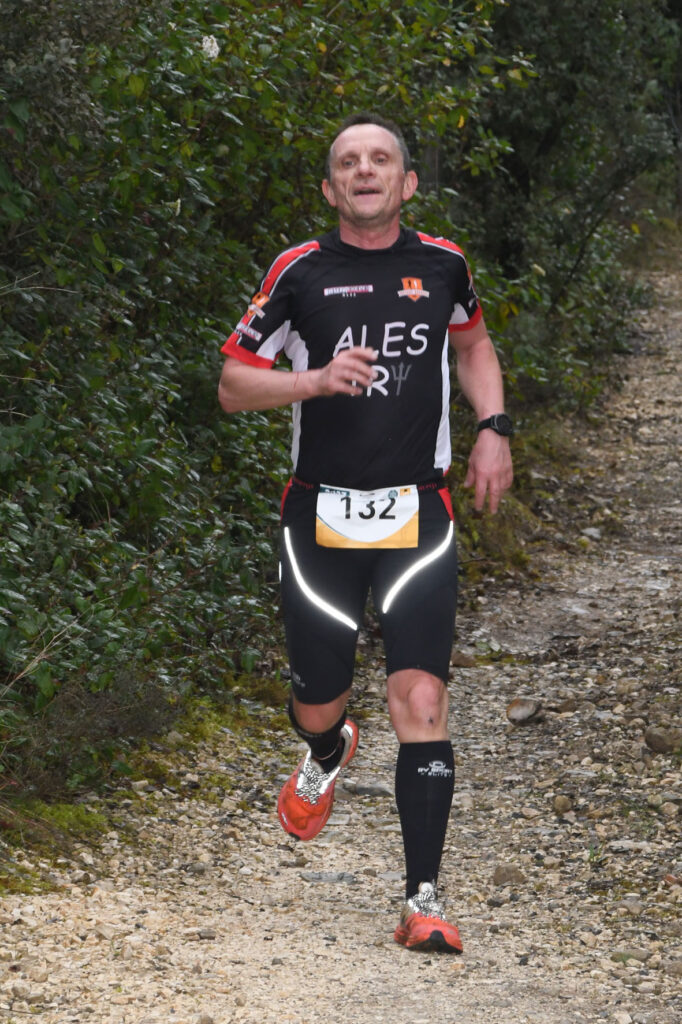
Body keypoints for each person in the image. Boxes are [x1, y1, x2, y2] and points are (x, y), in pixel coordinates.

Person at [218, 112, 513, 953]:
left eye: (381, 159)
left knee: (421, 699)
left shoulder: (444, 264)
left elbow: (475, 345)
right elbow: (234, 385)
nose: (365, 170)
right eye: (349, 162)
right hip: (319, 516)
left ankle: (423, 898)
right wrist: (312, 381)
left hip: (420, 511)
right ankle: (327, 747)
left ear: (407, 182)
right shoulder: (299, 272)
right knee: (319, 700)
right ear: (330, 188)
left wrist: (494, 427)